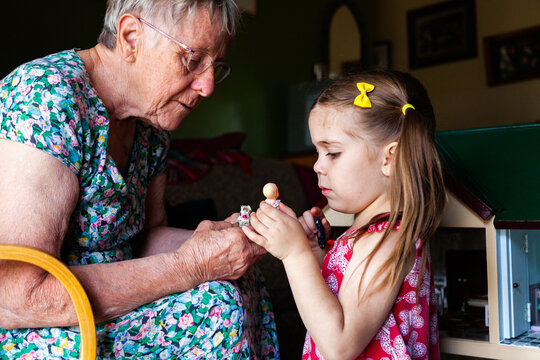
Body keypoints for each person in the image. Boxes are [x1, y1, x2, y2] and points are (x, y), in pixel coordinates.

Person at [0, 0, 278, 358]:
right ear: (131, 37)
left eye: (216, 67)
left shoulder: (151, 124)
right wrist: (189, 266)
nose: (208, 86)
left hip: (107, 307)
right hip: (38, 327)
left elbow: (145, 238)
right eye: (193, 60)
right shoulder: (47, 98)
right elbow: (16, 293)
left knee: (238, 278)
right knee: (216, 306)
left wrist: (228, 240)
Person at [243, 69, 445, 360]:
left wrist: (295, 255)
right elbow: (342, 300)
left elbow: (340, 345)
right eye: (317, 152)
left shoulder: (387, 239)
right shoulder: (370, 234)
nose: (317, 166)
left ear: (389, 158)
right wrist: (314, 253)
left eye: (333, 153)